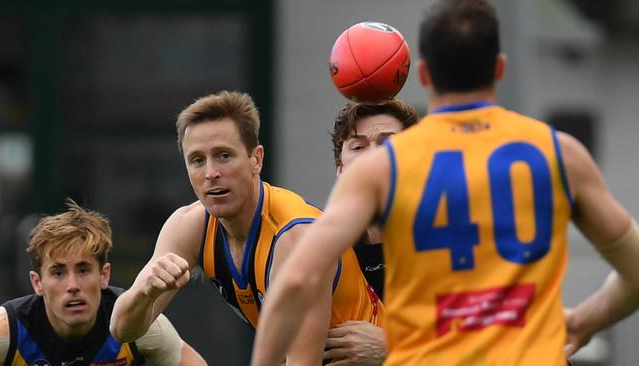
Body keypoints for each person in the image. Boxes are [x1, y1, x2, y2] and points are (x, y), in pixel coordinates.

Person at [251, 0, 639, 365]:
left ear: (423, 75)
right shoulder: (559, 153)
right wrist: (588, 319)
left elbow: (297, 279)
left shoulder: (383, 167)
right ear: (500, 69)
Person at [109, 91, 384, 365]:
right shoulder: (189, 226)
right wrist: (146, 291)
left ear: (257, 159)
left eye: (224, 156)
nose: (210, 173)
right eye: (197, 160)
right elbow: (122, 329)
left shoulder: (294, 236)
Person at [0, 199, 207, 366]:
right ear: (37, 283)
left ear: (104, 275)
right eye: (58, 273)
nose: (73, 285)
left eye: (83, 270)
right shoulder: (8, 330)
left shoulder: (138, 322)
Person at [324, 100, 418, 365]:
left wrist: (392, 349)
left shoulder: (450, 246)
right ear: (340, 170)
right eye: (358, 146)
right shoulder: (327, 257)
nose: (374, 156)